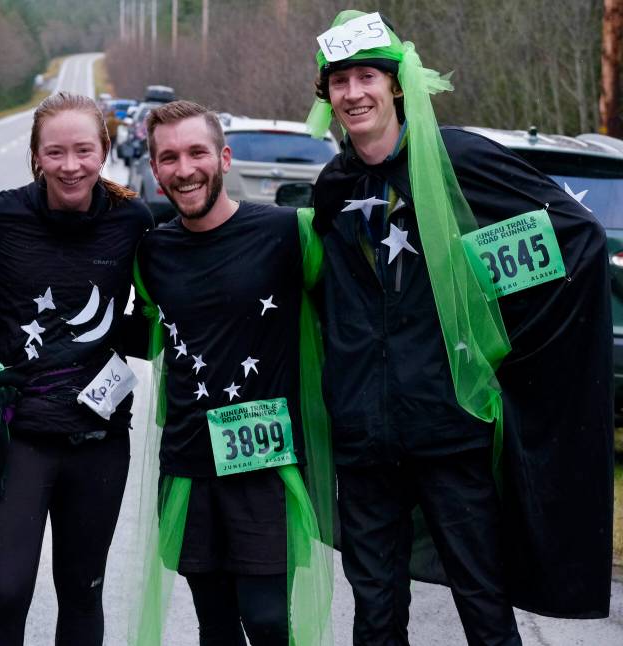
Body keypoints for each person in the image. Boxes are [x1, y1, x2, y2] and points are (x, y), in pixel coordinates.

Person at [306, 10, 613, 645]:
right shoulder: (336, 184)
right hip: (365, 440)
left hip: (449, 432)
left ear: (396, 85)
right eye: (340, 81)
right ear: (326, 94)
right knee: (376, 614)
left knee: (484, 607)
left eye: (368, 76)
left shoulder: (458, 159)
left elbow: (571, 235)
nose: (354, 92)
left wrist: (495, 334)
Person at [0, 91, 152, 646]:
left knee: (82, 591)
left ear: (105, 150)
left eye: (83, 151)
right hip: (15, 435)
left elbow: (159, 309)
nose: (70, 166)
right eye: (55, 152)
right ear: (36, 155)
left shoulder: (133, 219)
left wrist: (122, 339)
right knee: (7, 592)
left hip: (99, 437)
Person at [131, 100, 332, 646]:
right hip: (189, 466)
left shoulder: (289, 233)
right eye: (168, 158)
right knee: (215, 627)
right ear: (155, 171)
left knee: (268, 622)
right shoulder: (151, 252)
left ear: (223, 157)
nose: (184, 168)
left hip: (264, 466)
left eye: (197, 152)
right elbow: (138, 327)